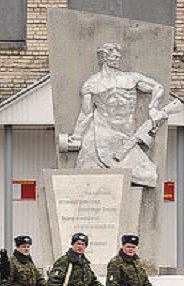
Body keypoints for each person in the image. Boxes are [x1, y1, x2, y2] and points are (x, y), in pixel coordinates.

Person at [69, 43, 165, 187]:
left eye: (118, 57)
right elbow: (86, 112)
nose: (117, 59)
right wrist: (77, 136)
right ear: (104, 58)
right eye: (114, 56)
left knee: (147, 175)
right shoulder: (92, 83)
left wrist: (153, 108)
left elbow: (157, 87)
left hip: (126, 135)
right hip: (101, 134)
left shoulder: (131, 78)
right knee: (86, 176)